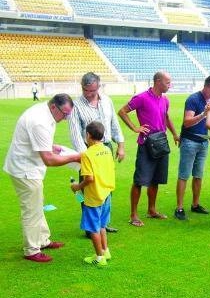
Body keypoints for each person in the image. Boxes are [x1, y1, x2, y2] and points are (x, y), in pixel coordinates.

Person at [3, 94, 81, 263]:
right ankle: (31, 249)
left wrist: (51, 146)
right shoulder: (39, 120)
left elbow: (37, 143)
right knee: (31, 209)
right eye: (64, 113)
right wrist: (75, 158)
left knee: (38, 203)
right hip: (25, 170)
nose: (66, 118)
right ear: (54, 107)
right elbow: (49, 159)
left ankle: (43, 240)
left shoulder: (45, 112)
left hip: (29, 167)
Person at [118, 71, 179, 227]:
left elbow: (166, 117)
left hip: (161, 143)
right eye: (167, 82)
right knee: (140, 180)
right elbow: (122, 111)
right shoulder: (142, 98)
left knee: (156, 179)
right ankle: (133, 215)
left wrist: (174, 134)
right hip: (146, 143)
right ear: (158, 81)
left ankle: (152, 210)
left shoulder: (165, 100)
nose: (169, 85)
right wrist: (135, 128)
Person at [69, 72, 124, 233]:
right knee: (88, 187)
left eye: (92, 91)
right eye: (85, 91)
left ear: (98, 87)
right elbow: (75, 134)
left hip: (107, 148)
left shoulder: (107, 101)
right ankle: (91, 227)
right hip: (87, 150)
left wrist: (120, 145)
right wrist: (85, 155)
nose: (88, 94)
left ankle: (103, 224)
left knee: (106, 186)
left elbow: (114, 123)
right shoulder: (76, 106)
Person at [174, 75, 210, 220]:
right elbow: (187, 122)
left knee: (198, 175)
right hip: (189, 141)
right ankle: (179, 208)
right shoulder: (193, 99)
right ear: (205, 87)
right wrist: (203, 114)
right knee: (184, 175)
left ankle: (195, 204)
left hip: (203, 142)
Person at [70, 121, 114, 267]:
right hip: (106, 192)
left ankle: (99, 257)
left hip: (94, 196)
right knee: (102, 225)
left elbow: (89, 178)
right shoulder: (107, 150)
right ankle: (105, 251)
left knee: (92, 227)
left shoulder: (87, 155)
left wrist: (77, 187)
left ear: (88, 135)